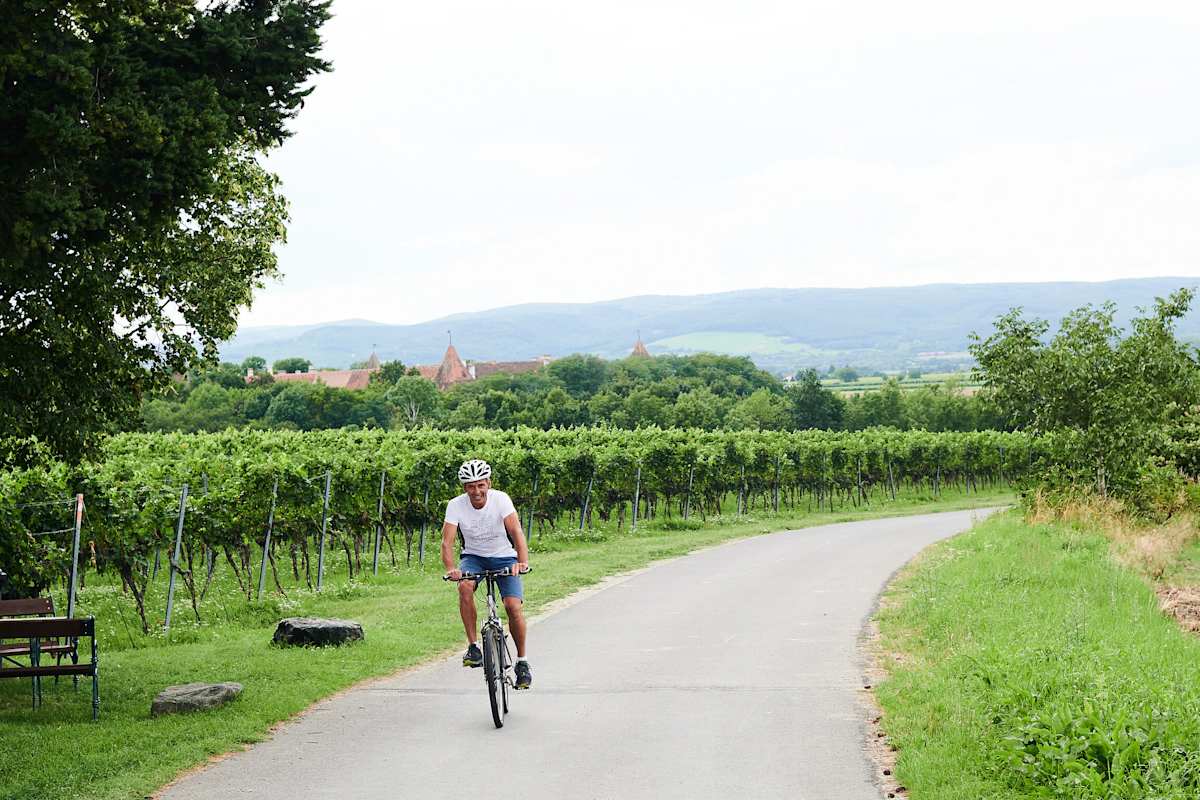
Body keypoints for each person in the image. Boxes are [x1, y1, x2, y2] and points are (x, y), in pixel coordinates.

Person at [442, 458, 532, 689]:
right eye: (471, 486)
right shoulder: (455, 505)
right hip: (473, 558)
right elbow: (447, 542)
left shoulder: (501, 500)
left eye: (480, 485)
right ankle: (473, 647)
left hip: (505, 557)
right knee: (464, 587)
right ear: (465, 488)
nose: (476, 491)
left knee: (513, 606)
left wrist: (522, 562)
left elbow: (516, 531)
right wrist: (451, 569)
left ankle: (522, 662)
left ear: (488, 483)